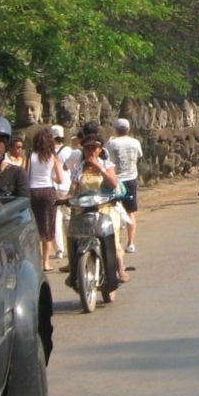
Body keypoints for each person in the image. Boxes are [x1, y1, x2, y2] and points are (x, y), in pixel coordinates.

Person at [72, 133, 130, 283]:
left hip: (105, 208)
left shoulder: (107, 165)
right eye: (87, 148)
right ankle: (74, 271)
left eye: (94, 148)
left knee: (113, 239)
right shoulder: (79, 169)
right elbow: (73, 190)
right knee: (74, 238)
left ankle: (120, 268)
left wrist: (100, 168)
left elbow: (113, 183)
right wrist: (64, 199)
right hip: (84, 210)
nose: (90, 151)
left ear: (100, 150)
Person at [27, 126, 67, 271]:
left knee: (34, 225)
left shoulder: (30, 155)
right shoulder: (52, 157)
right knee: (48, 227)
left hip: (32, 191)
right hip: (48, 191)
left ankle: (36, 261)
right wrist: (52, 178)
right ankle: (45, 262)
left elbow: (26, 173)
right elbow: (60, 179)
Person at [106, 118, 144, 253]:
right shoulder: (135, 142)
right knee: (130, 212)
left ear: (115, 129)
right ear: (128, 129)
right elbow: (139, 155)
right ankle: (131, 243)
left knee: (113, 211)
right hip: (131, 179)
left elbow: (106, 157)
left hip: (115, 180)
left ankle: (115, 243)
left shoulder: (111, 143)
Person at [51, 124, 72, 260]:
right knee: (68, 218)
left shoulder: (48, 151)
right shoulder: (68, 150)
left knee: (56, 220)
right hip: (67, 186)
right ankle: (72, 245)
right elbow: (71, 167)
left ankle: (59, 250)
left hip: (53, 186)